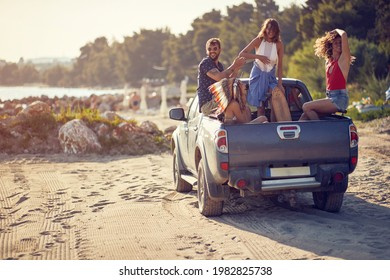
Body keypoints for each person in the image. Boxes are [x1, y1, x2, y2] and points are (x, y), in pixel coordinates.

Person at [238, 18, 289, 121]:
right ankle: (261, 129)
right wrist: (259, 57)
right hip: (257, 74)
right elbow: (242, 54)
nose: (270, 32)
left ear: (276, 31)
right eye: (268, 29)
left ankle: (275, 127)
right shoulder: (258, 40)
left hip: (270, 76)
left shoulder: (279, 45)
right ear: (265, 29)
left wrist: (280, 83)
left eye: (273, 30)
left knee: (275, 98)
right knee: (260, 107)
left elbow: (280, 66)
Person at [299, 29, 355, 120]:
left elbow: (344, 34)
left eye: (341, 42)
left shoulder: (343, 61)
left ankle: (320, 132)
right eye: (336, 43)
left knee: (306, 106)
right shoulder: (329, 62)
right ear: (331, 45)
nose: (339, 45)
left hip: (339, 99)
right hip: (330, 97)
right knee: (304, 116)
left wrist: (336, 30)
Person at [197, 38, 246, 114]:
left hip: (217, 100)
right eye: (209, 49)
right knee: (233, 96)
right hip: (207, 104)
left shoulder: (219, 66)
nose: (212, 51)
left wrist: (237, 68)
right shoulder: (206, 63)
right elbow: (220, 77)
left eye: (215, 48)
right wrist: (234, 65)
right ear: (206, 51)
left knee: (238, 92)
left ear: (220, 49)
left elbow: (229, 81)